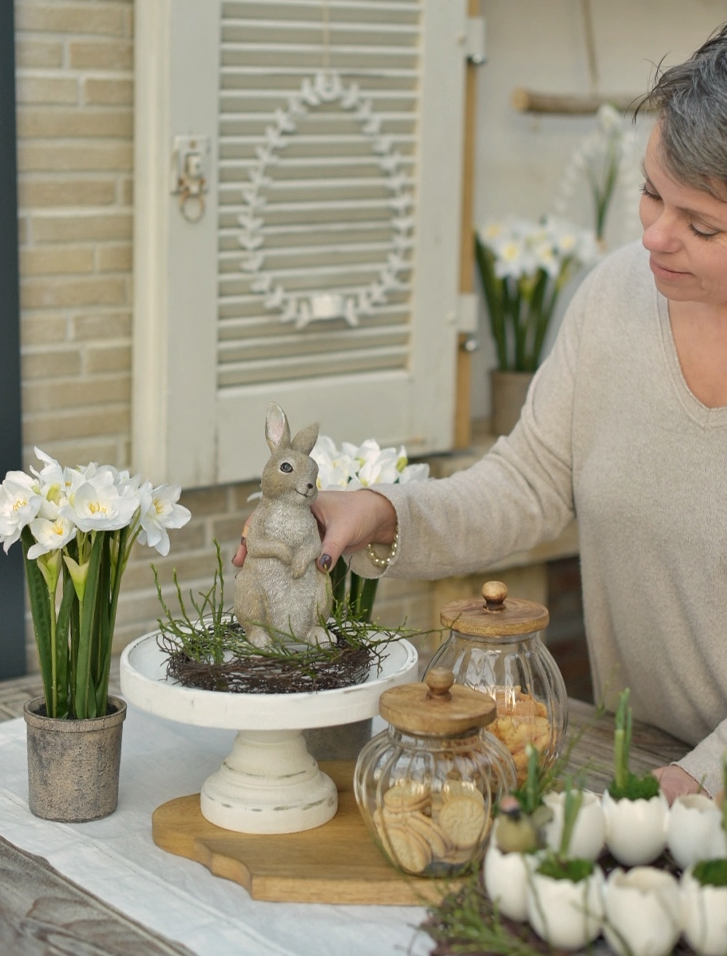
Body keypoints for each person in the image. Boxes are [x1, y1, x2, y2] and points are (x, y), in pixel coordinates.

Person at [234, 25, 727, 803]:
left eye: (703, 226)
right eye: (650, 191)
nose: (655, 235)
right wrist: (382, 512)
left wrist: (704, 782)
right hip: (643, 758)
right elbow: (528, 483)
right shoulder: (616, 297)